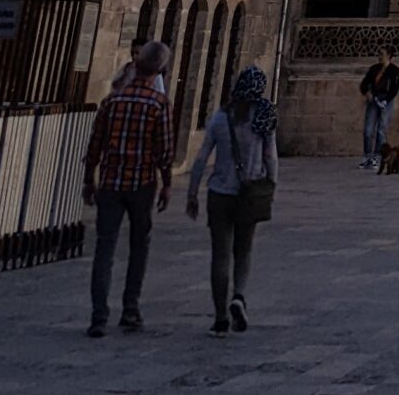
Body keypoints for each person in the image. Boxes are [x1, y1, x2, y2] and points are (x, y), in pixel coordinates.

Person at [82, 40, 173, 337]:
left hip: (110, 181)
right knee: (138, 247)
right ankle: (130, 309)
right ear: (159, 70)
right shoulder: (159, 104)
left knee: (104, 247)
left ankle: (99, 316)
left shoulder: (112, 101)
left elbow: (95, 144)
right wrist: (167, 184)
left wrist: (88, 180)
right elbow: (165, 150)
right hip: (142, 183)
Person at [186, 64, 279, 335]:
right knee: (244, 250)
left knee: (220, 255)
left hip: (220, 193)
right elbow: (270, 157)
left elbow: (202, 157)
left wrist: (192, 193)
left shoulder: (221, 118)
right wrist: (271, 186)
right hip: (249, 194)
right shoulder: (263, 117)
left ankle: (219, 317)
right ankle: (238, 296)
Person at [359, 49, 399, 169]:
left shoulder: (394, 71)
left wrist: (386, 100)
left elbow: (394, 88)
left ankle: (377, 157)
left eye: (382, 54)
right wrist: (366, 93)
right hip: (373, 100)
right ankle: (367, 156)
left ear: (388, 56)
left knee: (381, 130)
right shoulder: (374, 69)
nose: (379, 57)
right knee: (368, 130)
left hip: (386, 101)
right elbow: (364, 84)